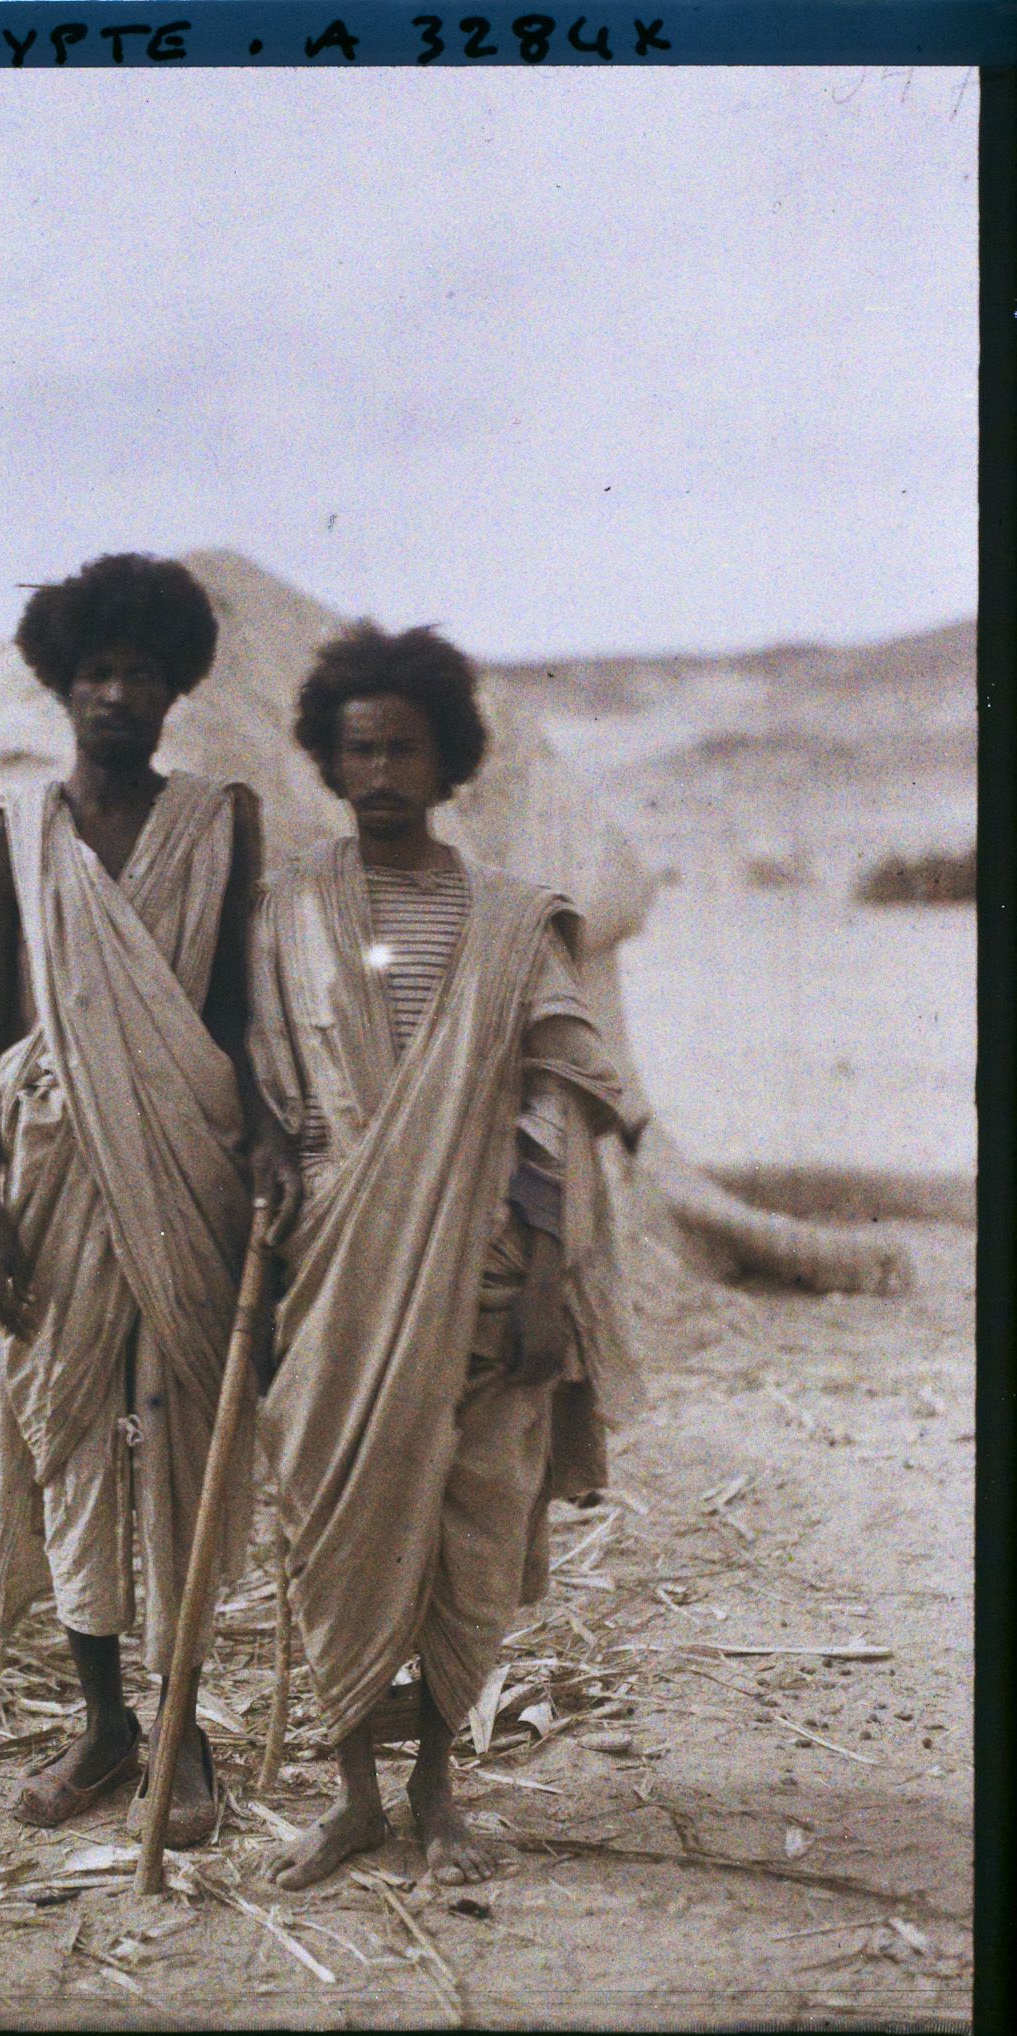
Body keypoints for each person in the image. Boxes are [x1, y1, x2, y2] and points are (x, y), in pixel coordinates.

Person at [247, 621, 647, 1889]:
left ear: (447, 755)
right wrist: (267, 1158)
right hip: (334, 1265)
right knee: (337, 1523)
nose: (379, 770)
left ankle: (437, 1792)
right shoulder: (285, 909)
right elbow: (265, 1082)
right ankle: (355, 1795)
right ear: (327, 754)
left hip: (485, 1263)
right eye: (357, 747)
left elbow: (554, 1100)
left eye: (403, 746)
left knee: (468, 1532)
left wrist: (542, 1274)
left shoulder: (513, 918)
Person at [0, 552, 279, 1847]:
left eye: (138, 670)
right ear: (59, 680)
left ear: (171, 685)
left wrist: (260, 1134)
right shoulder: (10, 838)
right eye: (93, 669)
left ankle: (185, 1732)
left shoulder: (221, 824)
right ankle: (103, 1730)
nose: (114, 692)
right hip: (48, 1183)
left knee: (184, 1441)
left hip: (187, 1168)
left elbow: (235, 1014)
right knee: (65, 1436)